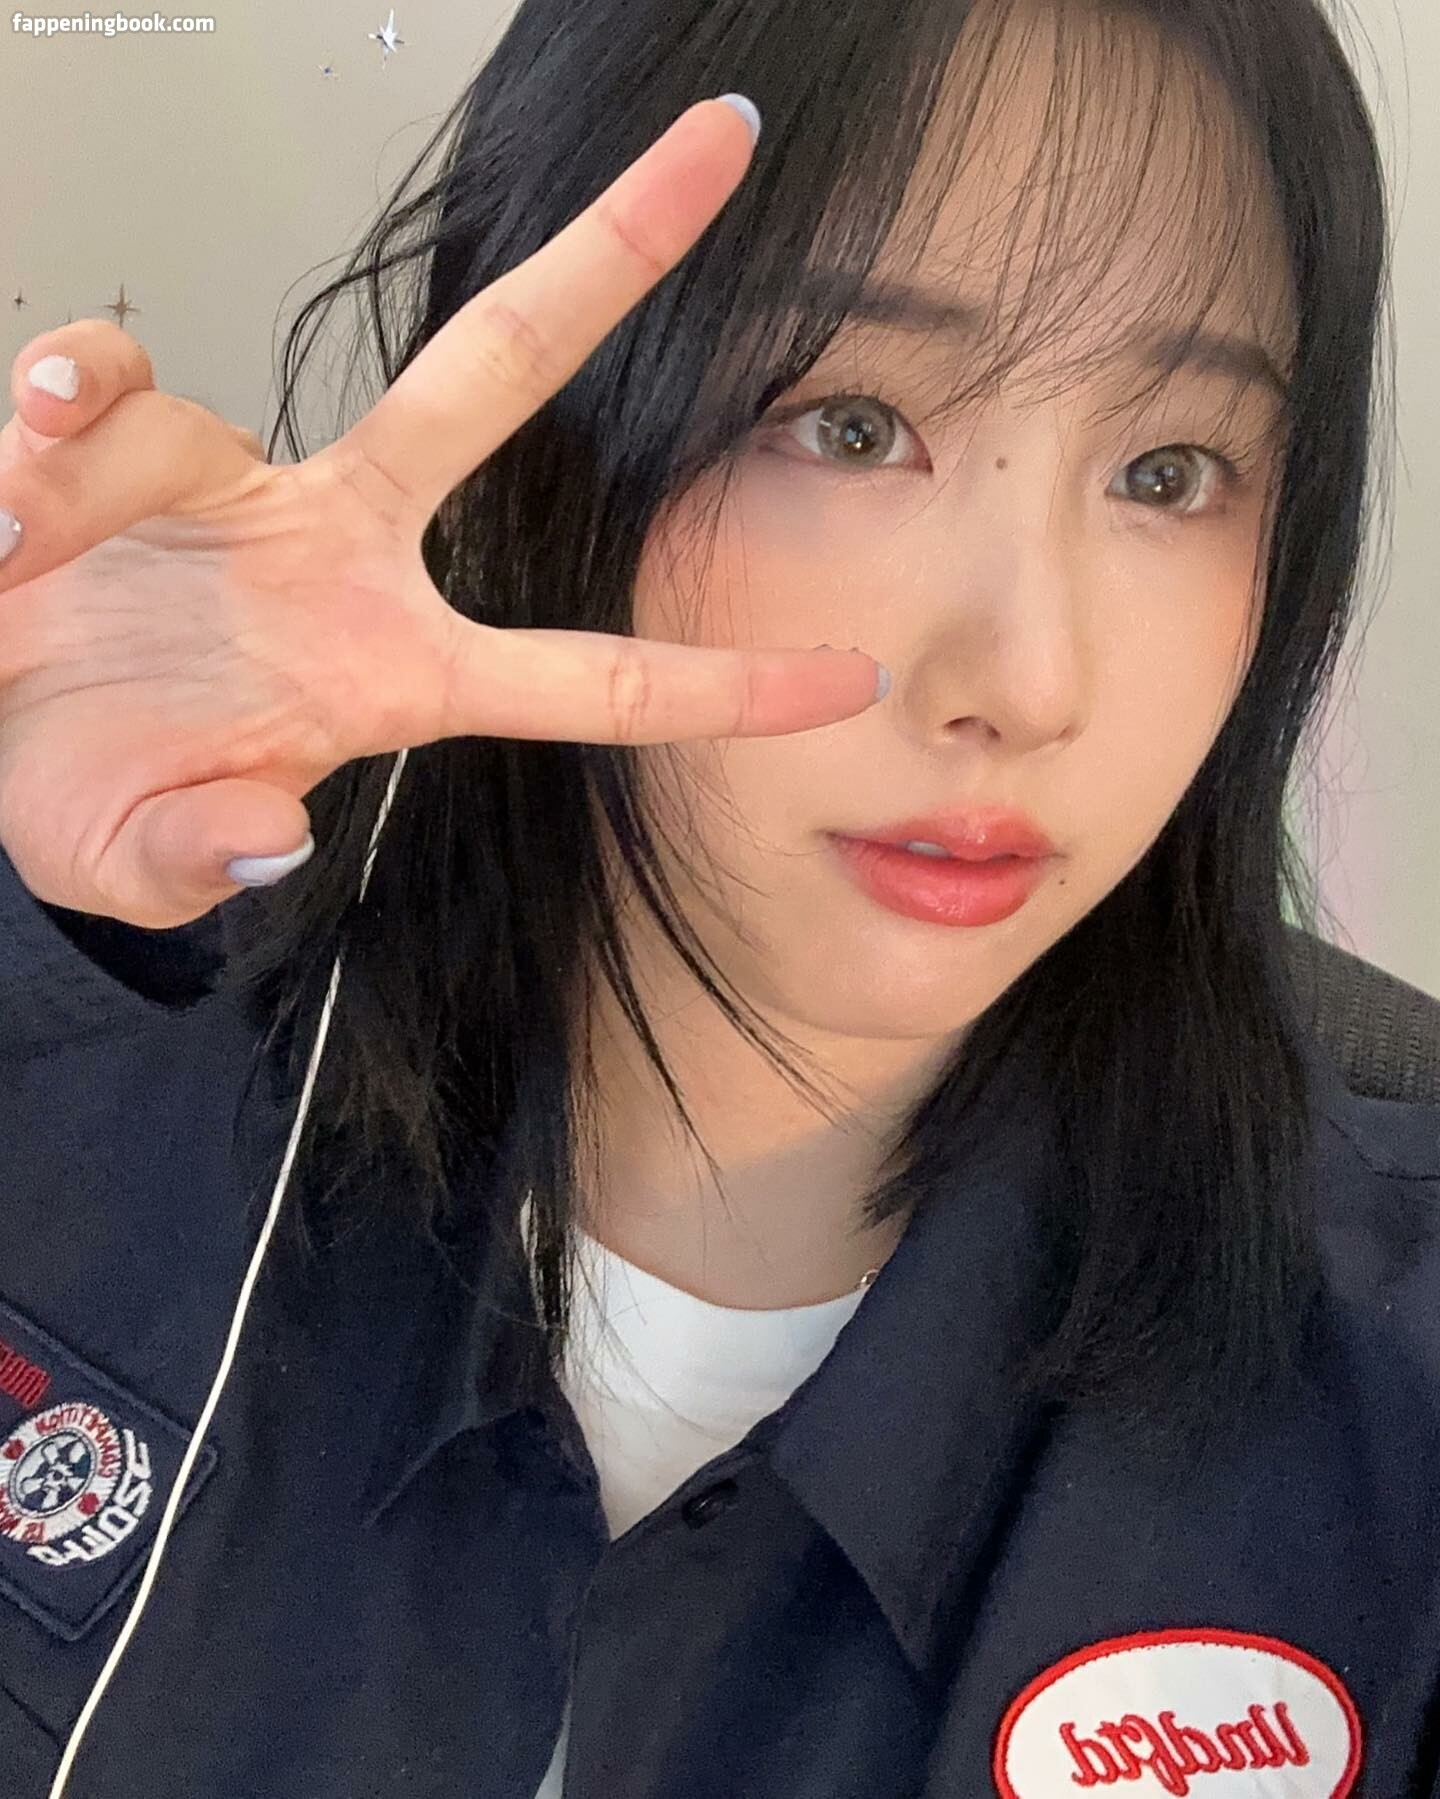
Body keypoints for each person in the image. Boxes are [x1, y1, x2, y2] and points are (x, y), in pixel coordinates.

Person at [0, 0, 1434, 1793]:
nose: (1028, 683)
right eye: (852, 425)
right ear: (550, 439)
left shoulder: (1395, 1381)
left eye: (1169, 475)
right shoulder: (89, 1021)